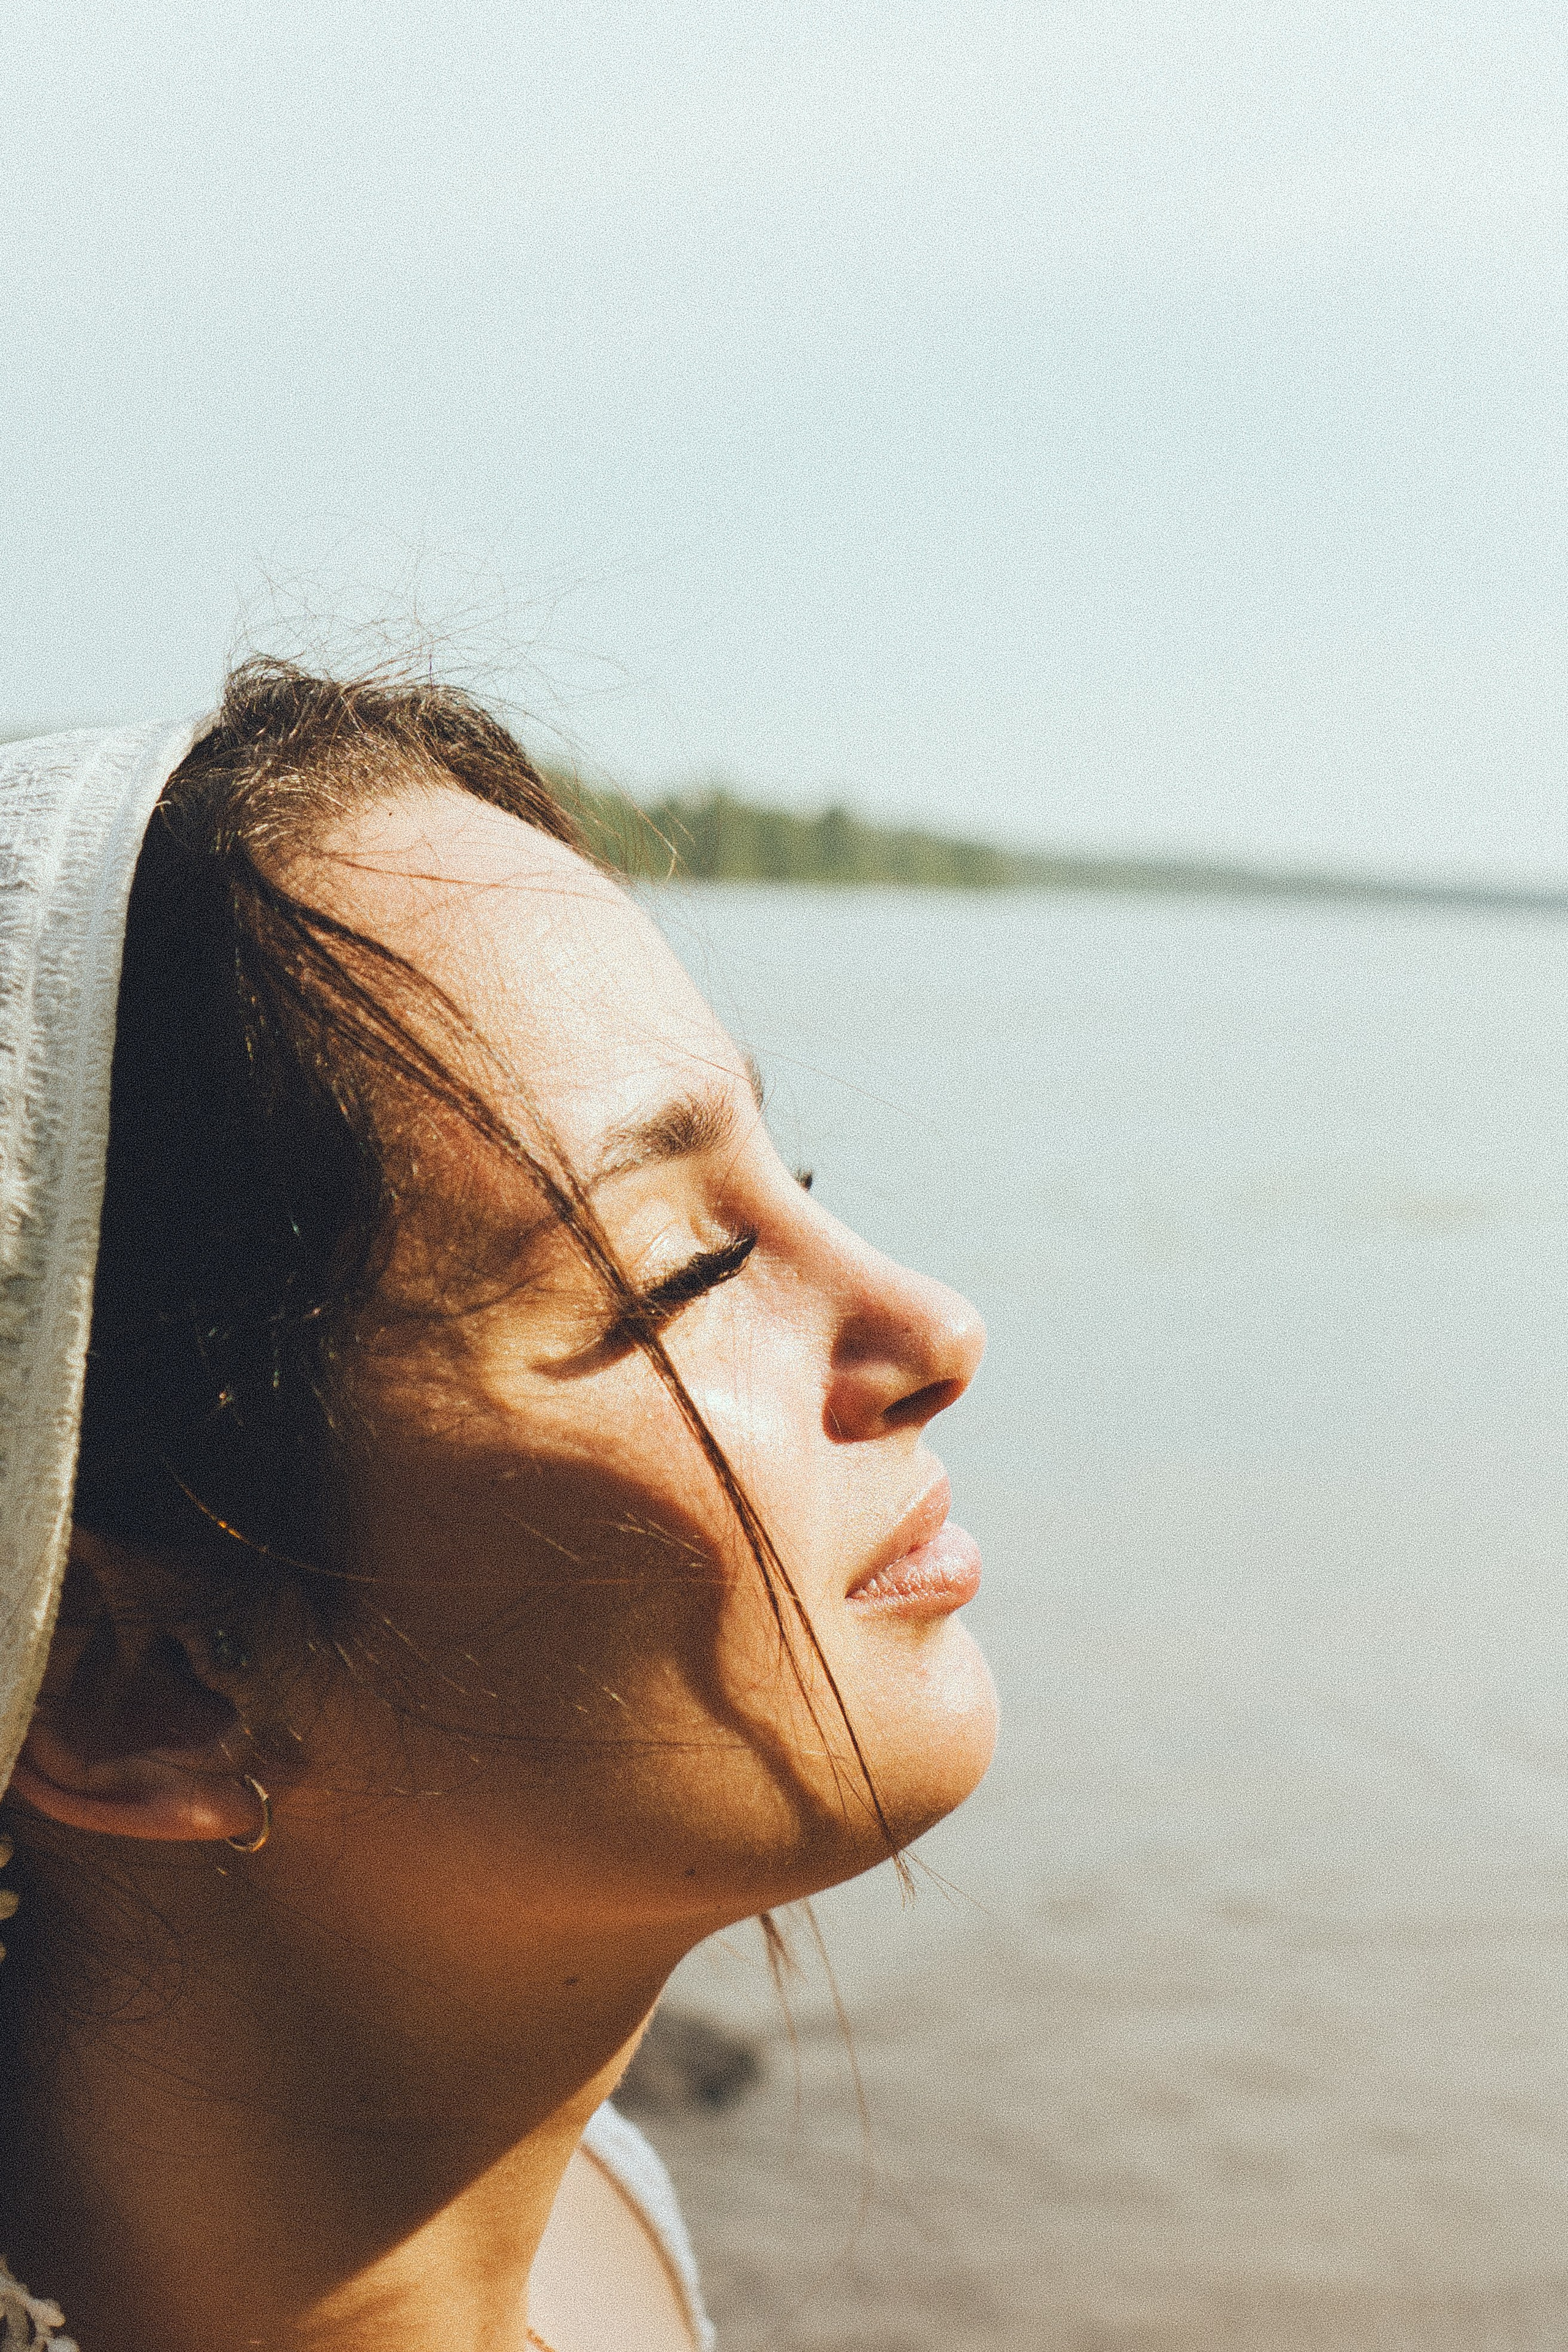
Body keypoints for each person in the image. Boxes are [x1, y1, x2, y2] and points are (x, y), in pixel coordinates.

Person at [0, 663, 996, 2352]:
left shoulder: (602, 2223)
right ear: (141, 1676)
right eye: (678, 1273)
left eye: (794, 1183)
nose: (936, 1328)